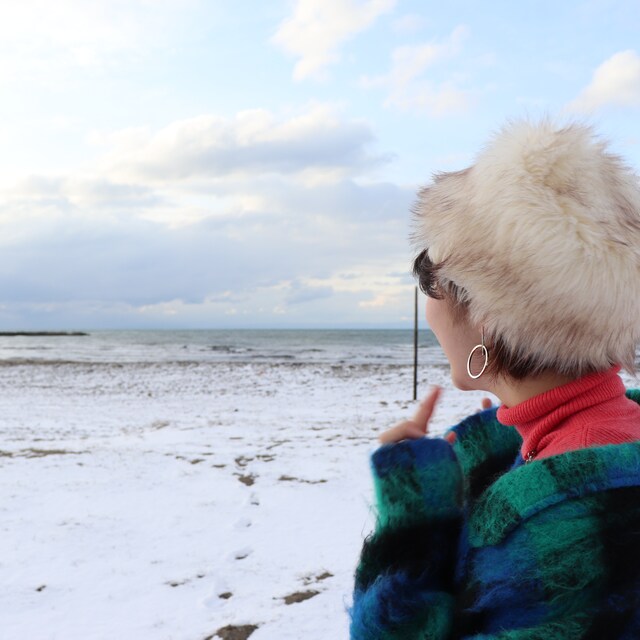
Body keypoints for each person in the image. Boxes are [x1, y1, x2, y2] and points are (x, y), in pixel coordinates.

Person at [350, 119, 640, 639]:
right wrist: (498, 457)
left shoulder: (555, 518)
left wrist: (411, 514)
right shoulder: (612, 436)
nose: (429, 310)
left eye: (430, 285)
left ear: (486, 312)